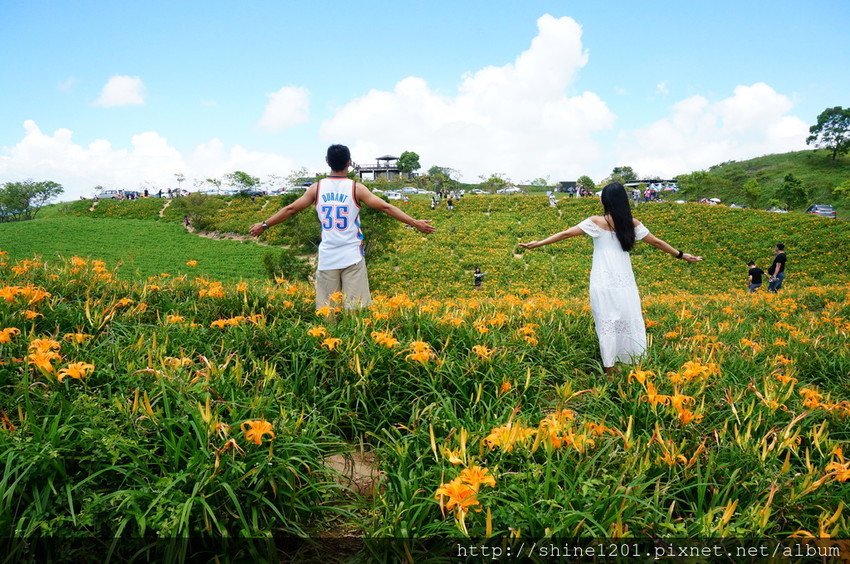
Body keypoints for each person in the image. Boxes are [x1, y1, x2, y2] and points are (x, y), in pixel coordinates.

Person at [519, 182, 702, 376]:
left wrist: (538, 244)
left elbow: (565, 234)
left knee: (606, 321)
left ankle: (609, 370)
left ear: (605, 200)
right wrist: (682, 255)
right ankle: (633, 363)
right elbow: (656, 242)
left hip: (602, 280)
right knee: (627, 318)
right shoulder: (632, 223)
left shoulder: (596, 221)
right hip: (625, 281)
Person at [249, 144, 435, 309]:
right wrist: (414, 222)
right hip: (352, 256)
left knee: (328, 310)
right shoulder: (356, 188)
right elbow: (386, 207)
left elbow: (290, 210)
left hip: (328, 257)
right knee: (356, 310)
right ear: (349, 162)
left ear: (327, 161)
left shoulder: (317, 188)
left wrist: (264, 225)